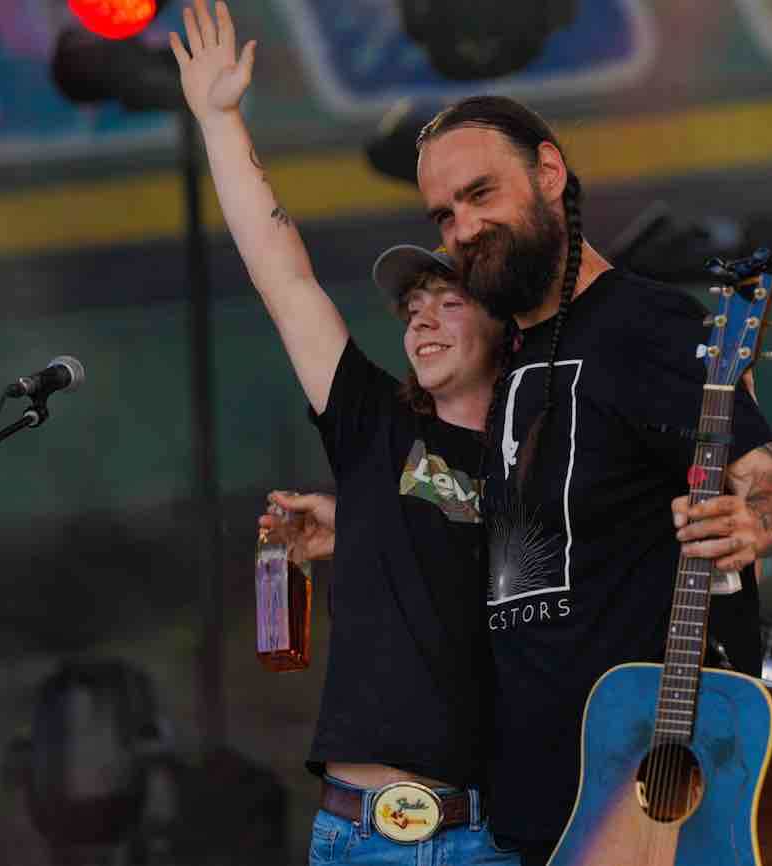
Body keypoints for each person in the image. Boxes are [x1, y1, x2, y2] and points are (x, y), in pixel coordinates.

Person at [414, 96, 772, 862]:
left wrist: (752, 522)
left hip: (652, 801)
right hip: (526, 812)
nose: (461, 231)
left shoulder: (648, 324)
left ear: (548, 173)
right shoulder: (506, 357)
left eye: (479, 195)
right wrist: (361, 520)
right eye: (442, 216)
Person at [170, 4, 520, 863]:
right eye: (412, 308)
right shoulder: (374, 425)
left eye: (450, 302)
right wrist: (219, 120)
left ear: (505, 329)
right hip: (359, 834)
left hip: (496, 831)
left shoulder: (546, 448)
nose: (424, 321)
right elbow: (281, 271)